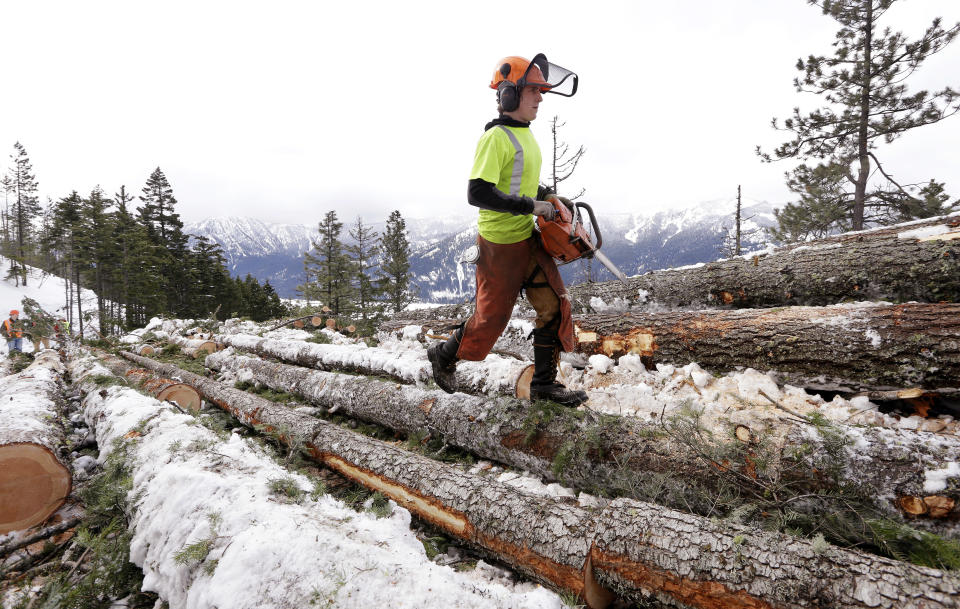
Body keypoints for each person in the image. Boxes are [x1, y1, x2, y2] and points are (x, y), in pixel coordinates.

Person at [428, 53, 587, 407]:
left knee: (554, 305)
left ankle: (544, 385)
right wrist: (533, 206)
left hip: (526, 237)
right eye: (533, 91)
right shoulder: (495, 138)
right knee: (491, 320)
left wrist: (547, 194)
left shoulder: (526, 136)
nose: (540, 97)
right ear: (509, 95)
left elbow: (519, 182)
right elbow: (479, 192)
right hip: (499, 244)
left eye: (541, 91)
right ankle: (443, 355)